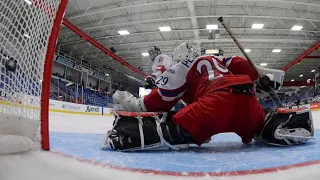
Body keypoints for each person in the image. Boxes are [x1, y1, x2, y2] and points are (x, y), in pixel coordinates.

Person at [102, 43, 314, 151]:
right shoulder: (219, 59)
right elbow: (246, 68)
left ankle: (124, 134)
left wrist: (140, 103)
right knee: (257, 122)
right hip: (247, 102)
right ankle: (277, 123)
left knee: (173, 126)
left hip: (212, 106)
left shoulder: (182, 67)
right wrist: (263, 80)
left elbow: (162, 100)